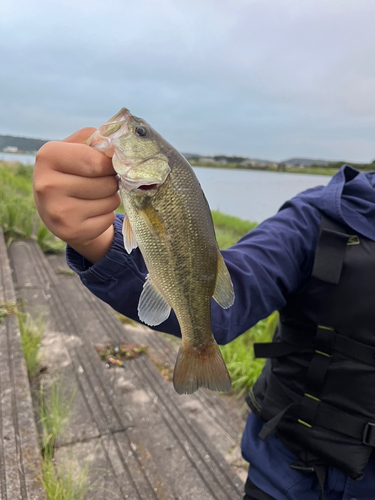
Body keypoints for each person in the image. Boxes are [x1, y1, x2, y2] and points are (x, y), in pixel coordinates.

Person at [34, 127, 375, 500]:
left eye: (139, 132)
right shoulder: (319, 218)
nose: (129, 129)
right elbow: (230, 298)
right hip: (291, 477)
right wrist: (96, 241)